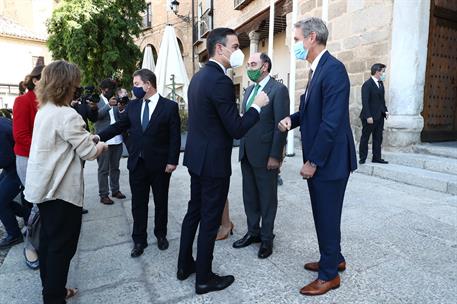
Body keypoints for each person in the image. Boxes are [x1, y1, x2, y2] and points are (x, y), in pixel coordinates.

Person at [177, 27, 269, 295]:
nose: (238, 52)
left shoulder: (199, 77)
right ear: (219, 48)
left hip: (197, 159)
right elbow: (236, 128)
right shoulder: (220, 81)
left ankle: (185, 265)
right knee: (209, 219)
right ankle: (204, 278)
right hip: (213, 163)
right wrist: (257, 106)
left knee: (194, 211)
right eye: (235, 46)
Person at [278, 17, 357, 296]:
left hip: (330, 161)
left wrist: (313, 161)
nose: (295, 44)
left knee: (326, 215)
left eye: (297, 39)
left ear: (312, 38)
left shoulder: (333, 69)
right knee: (324, 214)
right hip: (325, 158)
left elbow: (332, 122)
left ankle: (329, 276)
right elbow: (314, 110)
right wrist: (292, 119)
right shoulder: (316, 70)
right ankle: (333, 259)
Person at [24, 60, 107, 304]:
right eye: (75, 84)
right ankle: (54, 298)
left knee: (49, 245)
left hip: (43, 190)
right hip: (61, 192)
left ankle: (52, 291)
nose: (77, 87)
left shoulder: (45, 110)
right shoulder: (67, 114)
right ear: (66, 84)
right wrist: (99, 143)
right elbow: (89, 153)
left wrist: (87, 137)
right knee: (62, 249)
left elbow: (64, 139)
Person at [98, 69, 181, 257]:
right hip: (137, 164)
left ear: (148, 84)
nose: (133, 88)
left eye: (136, 84)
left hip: (160, 165)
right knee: (138, 203)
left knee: (161, 202)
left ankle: (161, 235)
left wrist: (172, 161)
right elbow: (119, 126)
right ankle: (139, 240)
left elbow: (174, 137)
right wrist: (98, 136)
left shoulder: (169, 106)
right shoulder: (133, 107)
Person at [233, 52, 289, 259]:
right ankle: (253, 232)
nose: (249, 66)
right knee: (249, 196)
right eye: (248, 64)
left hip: (266, 155)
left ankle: (267, 238)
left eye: (253, 63)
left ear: (265, 66)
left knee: (267, 198)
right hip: (247, 152)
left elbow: (281, 125)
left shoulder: (278, 90)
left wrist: (276, 155)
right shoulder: (248, 90)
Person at [13, 65, 44, 270]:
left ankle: (41, 238)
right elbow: (21, 136)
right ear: (35, 81)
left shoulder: (49, 101)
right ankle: (30, 246)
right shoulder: (22, 101)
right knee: (36, 204)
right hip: (28, 159)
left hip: (46, 159)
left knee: (45, 204)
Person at [0, 116, 30, 249]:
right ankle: (26, 214)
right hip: (13, 166)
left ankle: (14, 234)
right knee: (2, 199)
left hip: (17, 167)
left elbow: (6, 158)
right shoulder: (2, 120)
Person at [95, 79, 126, 205]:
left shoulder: (116, 99)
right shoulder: (97, 101)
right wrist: (108, 106)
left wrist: (121, 109)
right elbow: (96, 116)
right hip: (104, 141)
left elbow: (120, 118)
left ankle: (115, 190)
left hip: (117, 139)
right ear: (102, 89)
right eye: (108, 89)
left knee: (115, 168)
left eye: (112, 89)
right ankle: (104, 194)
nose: (110, 92)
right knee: (103, 169)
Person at [359, 63, 389, 164]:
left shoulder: (381, 84)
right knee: (365, 137)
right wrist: (368, 116)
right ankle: (362, 158)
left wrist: (385, 111)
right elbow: (365, 101)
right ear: (377, 72)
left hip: (380, 116)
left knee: (378, 137)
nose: (384, 73)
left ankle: (376, 157)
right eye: (383, 71)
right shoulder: (367, 84)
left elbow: (381, 101)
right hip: (370, 116)